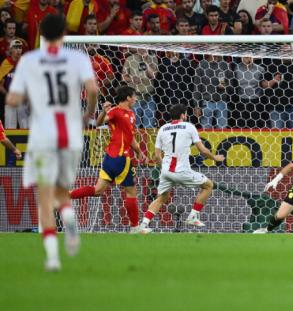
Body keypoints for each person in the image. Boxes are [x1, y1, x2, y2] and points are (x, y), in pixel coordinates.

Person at [6, 14, 98, 271]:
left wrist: (29, 97)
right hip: (70, 136)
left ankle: (53, 258)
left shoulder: (30, 60)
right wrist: (88, 115)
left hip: (42, 137)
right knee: (60, 191)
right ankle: (69, 219)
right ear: (64, 34)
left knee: (45, 197)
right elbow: (92, 90)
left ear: (41, 35)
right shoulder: (78, 58)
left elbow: (12, 100)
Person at [69, 86, 148, 234]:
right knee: (131, 192)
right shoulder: (115, 111)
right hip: (121, 158)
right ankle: (135, 227)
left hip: (110, 158)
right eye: (134, 96)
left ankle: (66, 195)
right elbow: (98, 123)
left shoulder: (131, 114)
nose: (136, 99)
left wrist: (139, 152)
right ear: (128, 97)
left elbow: (130, 138)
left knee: (98, 190)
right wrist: (104, 111)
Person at [139, 104, 225, 231]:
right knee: (208, 185)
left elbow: (157, 156)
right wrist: (215, 158)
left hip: (166, 170)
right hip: (182, 171)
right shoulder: (189, 127)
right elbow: (203, 151)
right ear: (183, 115)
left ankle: (143, 226)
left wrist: (165, 169)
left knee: (161, 198)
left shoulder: (163, 129)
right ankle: (193, 216)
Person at [193, 54, 232, 129]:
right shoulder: (202, 65)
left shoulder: (225, 65)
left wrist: (225, 85)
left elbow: (232, 83)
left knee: (222, 130)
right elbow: (197, 87)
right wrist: (197, 105)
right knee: (206, 130)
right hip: (207, 103)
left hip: (222, 102)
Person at [121, 48, 157, 128]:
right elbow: (123, 77)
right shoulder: (130, 59)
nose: (142, 49)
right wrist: (132, 79)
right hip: (135, 98)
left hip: (149, 97)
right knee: (134, 126)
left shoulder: (153, 58)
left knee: (149, 126)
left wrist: (146, 61)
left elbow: (153, 75)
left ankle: (147, 141)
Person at [0, 41, 28, 129]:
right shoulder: (6, 63)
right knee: (9, 127)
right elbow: (0, 85)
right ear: (11, 50)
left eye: (20, 47)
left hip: (23, 99)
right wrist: (7, 94)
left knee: (25, 126)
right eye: (16, 47)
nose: (18, 50)